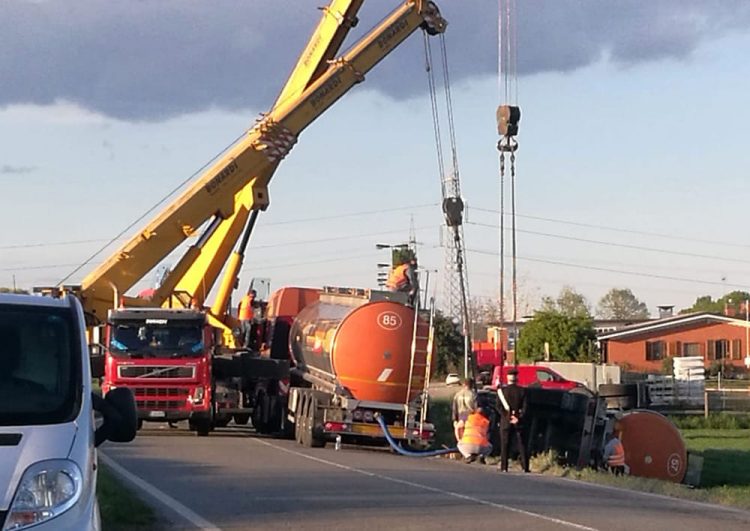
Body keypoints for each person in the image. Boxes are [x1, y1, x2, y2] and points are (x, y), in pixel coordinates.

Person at [497, 368, 529, 472]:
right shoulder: (522, 391)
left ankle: (504, 467)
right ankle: (525, 467)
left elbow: (498, 406)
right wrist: (518, 417)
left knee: (505, 445)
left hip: (506, 421)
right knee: (522, 444)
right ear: (517, 378)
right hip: (518, 421)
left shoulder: (502, 391)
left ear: (507, 378)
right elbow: (525, 407)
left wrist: (507, 416)